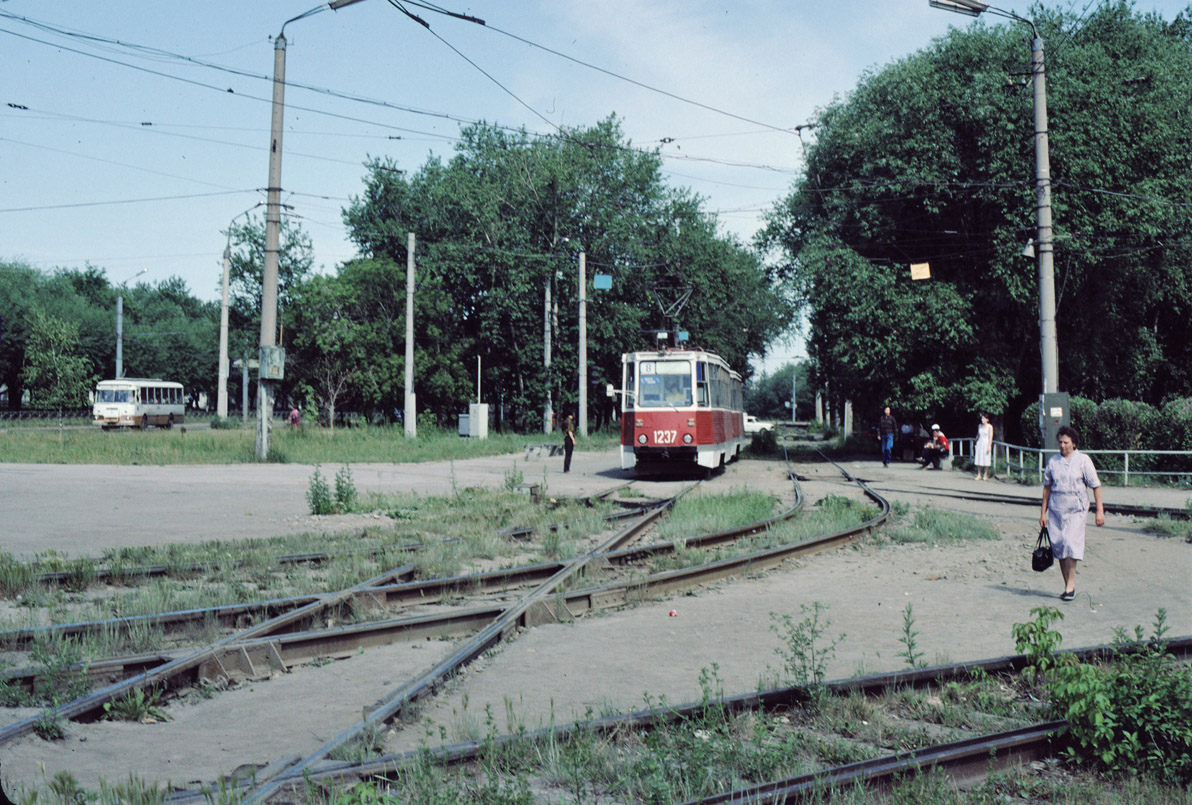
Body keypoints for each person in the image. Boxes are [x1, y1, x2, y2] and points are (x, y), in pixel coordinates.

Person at [1039, 425, 1104, 601]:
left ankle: (1071, 584)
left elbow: (1095, 486)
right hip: (1056, 509)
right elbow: (1047, 488)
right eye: (1060, 442)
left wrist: (1100, 511)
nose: (1062, 446)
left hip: (1077, 508)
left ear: (1074, 443)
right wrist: (1043, 513)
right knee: (1059, 546)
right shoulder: (1053, 462)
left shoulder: (1083, 460)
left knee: (1070, 543)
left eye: (1066, 442)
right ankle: (1067, 585)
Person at [974, 413, 993, 480]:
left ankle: (985, 474)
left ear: (987, 419)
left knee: (986, 459)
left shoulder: (989, 426)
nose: (982, 420)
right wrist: (975, 440)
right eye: (982, 418)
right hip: (979, 443)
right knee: (979, 458)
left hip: (986, 444)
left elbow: (990, 437)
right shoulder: (979, 426)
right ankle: (979, 474)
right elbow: (978, 435)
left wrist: (989, 446)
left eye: (984, 418)